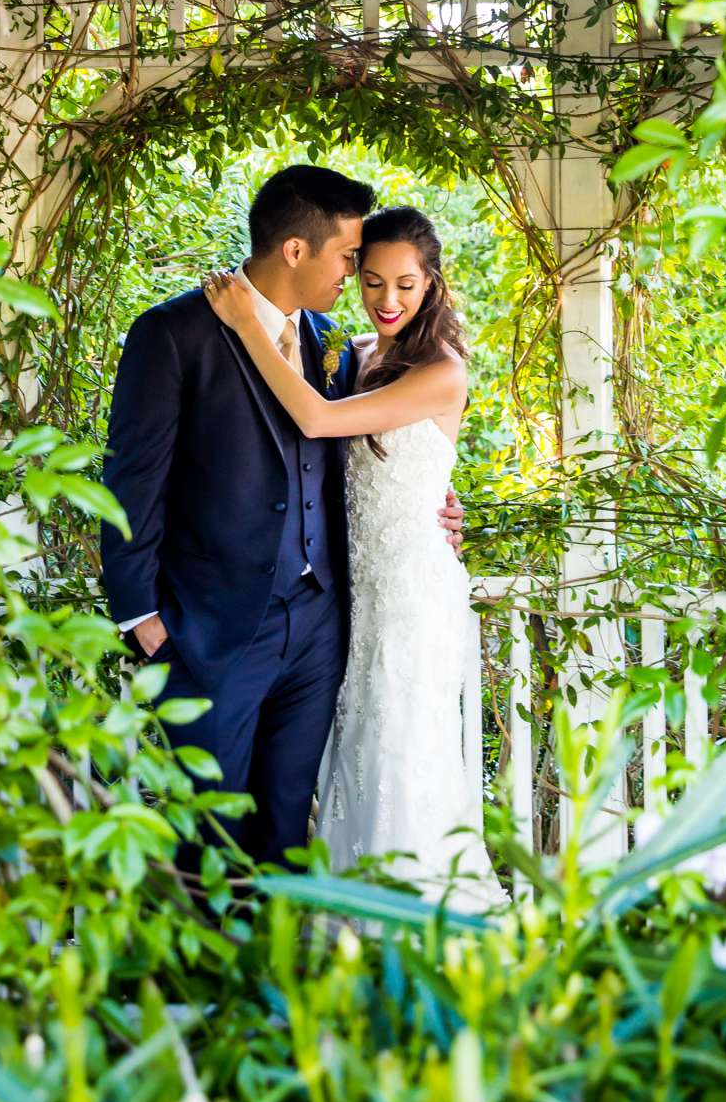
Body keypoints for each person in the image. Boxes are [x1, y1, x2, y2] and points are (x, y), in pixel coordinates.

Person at [101, 164, 464, 872]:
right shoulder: (174, 333)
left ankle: (279, 974)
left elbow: (369, 444)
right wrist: (140, 617)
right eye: (351, 260)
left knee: (287, 825)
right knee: (206, 830)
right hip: (211, 631)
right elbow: (131, 480)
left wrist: (438, 506)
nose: (357, 277)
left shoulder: (332, 343)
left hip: (320, 630)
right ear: (296, 250)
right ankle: (207, 979)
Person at [204, 204, 504, 909]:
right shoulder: (359, 358)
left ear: (431, 283)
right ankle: (350, 919)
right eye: (371, 282)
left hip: (411, 594)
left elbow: (316, 418)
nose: (388, 300)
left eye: (405, 284)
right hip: (356, 591)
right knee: (356, 755)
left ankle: (419, 921)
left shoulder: (443, 372)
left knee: (402, 752)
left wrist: (248, 325)